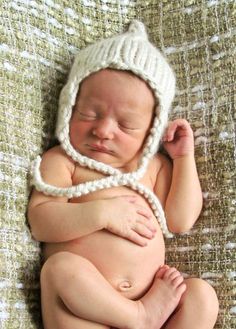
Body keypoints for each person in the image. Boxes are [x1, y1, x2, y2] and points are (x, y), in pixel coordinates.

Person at [28, 21, 219, 329]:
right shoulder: (64, 161)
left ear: (150, 132)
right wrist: (101, 213)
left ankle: (143, 315)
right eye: (88, 114)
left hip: (155, 302)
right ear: (68, 107)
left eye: (126, 125)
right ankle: (137, 317)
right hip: (82, 314)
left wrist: (183, 158)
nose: (102, 130)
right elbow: (41, 223)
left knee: (202, 296)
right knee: (59, 269)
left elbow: (180, 220)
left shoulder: (153, 167)